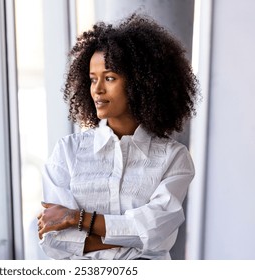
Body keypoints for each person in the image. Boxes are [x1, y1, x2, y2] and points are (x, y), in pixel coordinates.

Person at [36, 13, 199, 260]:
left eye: (109, 78)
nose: (97, 89)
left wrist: (75, 219)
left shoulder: (173, 158)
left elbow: (156, 231)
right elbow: (54, 239)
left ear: (141, 83)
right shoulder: (67, 152)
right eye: (92, 79)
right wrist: (134, 240)